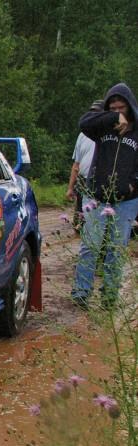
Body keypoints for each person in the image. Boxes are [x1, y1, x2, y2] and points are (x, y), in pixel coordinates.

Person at [71, 83, 138, 308]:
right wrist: (111, 118)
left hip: (127, 200)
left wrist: (132, 184)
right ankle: (81, 293)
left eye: (122, 108)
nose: (118, 110)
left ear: (130, 106)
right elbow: (84, 122)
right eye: (113, 107)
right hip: (97, 196)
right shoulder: (102, 127)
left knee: (116, 249)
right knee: (91, 245)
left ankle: (109, 298)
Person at [66, 100, 104, 231]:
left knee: (95, 221)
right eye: (92, 112)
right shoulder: (82, 135)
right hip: (82, 179)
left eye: (97, 113)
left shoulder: (107, 134)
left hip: (100, 180)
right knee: (79, 224)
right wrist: (70, 188)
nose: (94, 116)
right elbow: (76, 165)